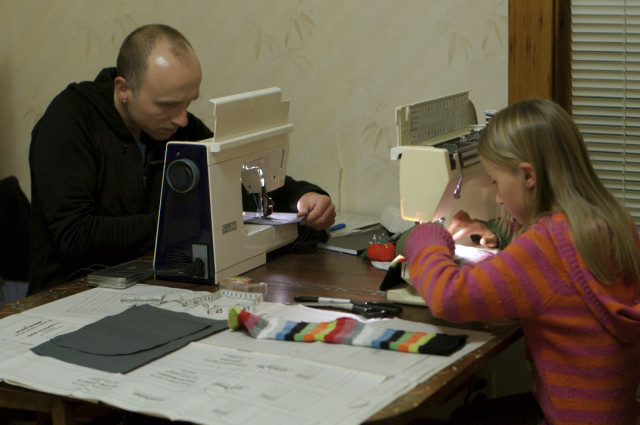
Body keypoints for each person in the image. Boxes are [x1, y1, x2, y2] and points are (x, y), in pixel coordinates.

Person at [29, 24, 335, 295]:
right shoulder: (68, 123)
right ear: (124, 89)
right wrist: (183, 221)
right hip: (69, 292)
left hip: (147, 282)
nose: (183, 119)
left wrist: (303, 196)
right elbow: (76, 234)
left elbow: (237, 176)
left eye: (189, 103)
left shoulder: (171, 127)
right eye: (168, 105)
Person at [402, 98, 640, 424]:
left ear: (528, 175)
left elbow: (448, 297)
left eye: (496, 182)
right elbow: (561, 273)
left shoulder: (546, 245)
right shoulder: (611, 220)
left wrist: (426, 239)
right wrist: (497, 233)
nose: (498, 197)